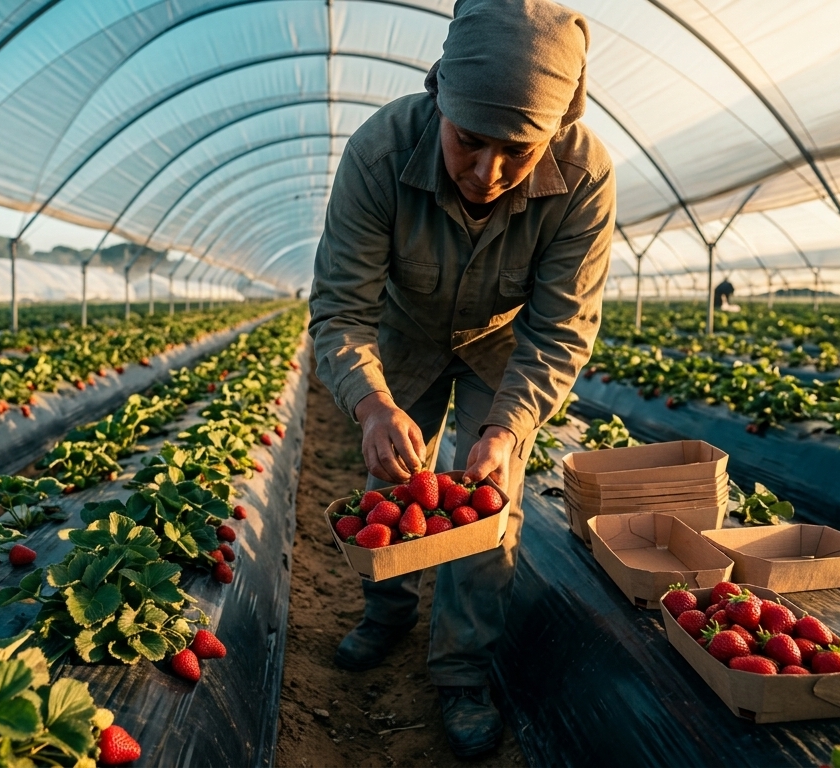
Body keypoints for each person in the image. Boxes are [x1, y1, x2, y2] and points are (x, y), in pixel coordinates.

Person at [307, 0, 612, 758]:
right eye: (469, 143)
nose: (488, 172)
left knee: (485, 504)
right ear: (439, 94)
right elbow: (341, 310)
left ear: (556, 131)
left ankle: (461, 672)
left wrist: (508, 427)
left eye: (518, 152)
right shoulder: (381, 152)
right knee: (391, 478)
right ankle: (386, 614)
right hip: (401, 334)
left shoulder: (584, 177)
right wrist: (372, 404)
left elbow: (562, 326)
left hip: (501, 350)